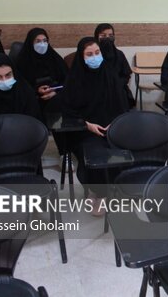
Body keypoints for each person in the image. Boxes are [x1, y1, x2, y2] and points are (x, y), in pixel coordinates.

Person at [62, 37, 130, 215]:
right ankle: (98, 192)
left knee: (117, 147)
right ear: (81, 57)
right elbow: (68, 112)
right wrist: (87, 125)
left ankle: (109, 192)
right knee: (94, 152)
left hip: (111, 127)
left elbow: (122, 105)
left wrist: (114, 124)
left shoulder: (109, 74)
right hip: (84, 130)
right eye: (89, 54)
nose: (94, 57)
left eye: (97, 53)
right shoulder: (75, 79)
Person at [16, 27, 68, 114]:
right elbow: (20, 86)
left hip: (56, 100)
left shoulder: (55, 58)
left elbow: (68, 80)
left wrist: (55, 92)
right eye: (38, 41)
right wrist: (36, 90)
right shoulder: (22, 61)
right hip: (32, 102)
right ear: (30, 43)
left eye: (45, 41)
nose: (42, 44)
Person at [94, 23, 135, 107]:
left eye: (110, 35)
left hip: (117, 91)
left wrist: (117, 84)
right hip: (97, 91)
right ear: (96, 37)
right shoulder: (92, 55)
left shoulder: (119, 54)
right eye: (103, 35)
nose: (107, 38)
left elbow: (126, 75)